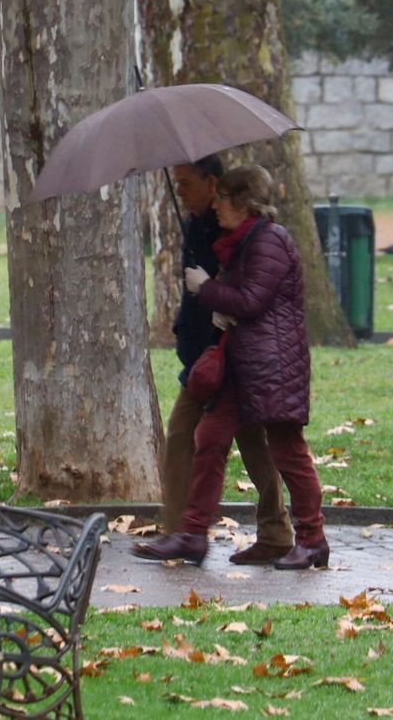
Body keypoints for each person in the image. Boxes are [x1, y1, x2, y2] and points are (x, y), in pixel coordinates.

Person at [135, 164, 327, 570]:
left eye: (222, 198)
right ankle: (191, 534)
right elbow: (243, 297)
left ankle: (312, 539)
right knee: (209, 437)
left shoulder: (270, 241)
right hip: (240, 365)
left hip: (271, 367)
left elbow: (252, 301)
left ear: (244, 202)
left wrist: (207, 289)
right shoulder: (240, 242)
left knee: (288, 452)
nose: (216, 206)